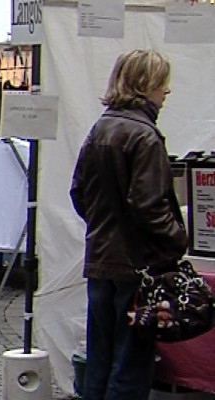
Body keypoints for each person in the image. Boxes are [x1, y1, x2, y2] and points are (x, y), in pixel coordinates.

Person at [70, 49, 186, 400]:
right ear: (145, 83)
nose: (166, 91)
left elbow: (79, 193)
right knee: (130, 362)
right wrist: (177, 242)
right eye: (162, 82)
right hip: (136, 265)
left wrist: (103, 226)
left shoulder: (101, 128)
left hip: (103, 259)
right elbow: (149, 206)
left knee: (101, 358)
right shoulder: (144, 136)